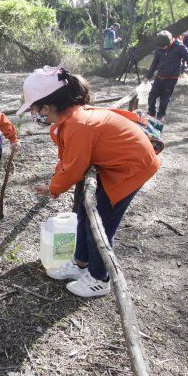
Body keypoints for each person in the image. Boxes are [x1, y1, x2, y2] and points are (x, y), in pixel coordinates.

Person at [17, 66, 160, 298]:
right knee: (84, 213)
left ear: (47, 107)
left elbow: (74, 168)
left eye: (34, 110)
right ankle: (80, 262)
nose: (35, 116)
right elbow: (66, 158)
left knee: (101, 224)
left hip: (130, 169)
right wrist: (55, 182)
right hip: (114, 165)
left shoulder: (77, 124)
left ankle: (99, 278)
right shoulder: (69, 119)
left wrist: (54, 188)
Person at [145, 30, 188, 121]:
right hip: (159, 76)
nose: (162, 48)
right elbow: (154, 63)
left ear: (170, 41)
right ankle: (151, 112)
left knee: (165, 98)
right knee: (152, 95)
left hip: (171, 78)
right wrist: (148, 76)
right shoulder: (159, 48)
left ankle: (161, 114)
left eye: (164, 46)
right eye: (160, 47)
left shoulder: (180, 47)